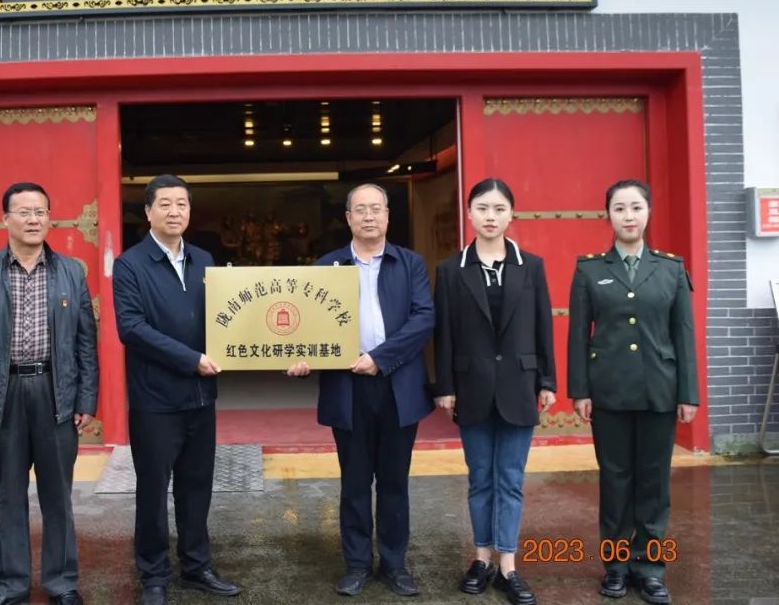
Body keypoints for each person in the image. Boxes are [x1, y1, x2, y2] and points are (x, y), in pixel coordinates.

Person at [287, 183, 435, 598]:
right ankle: (356, 565)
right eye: (360, 210)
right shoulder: (326, 266)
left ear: (388, 215)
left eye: (376, 209)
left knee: (393, 482)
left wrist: (380, 358)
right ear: (348, 218)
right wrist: (301, 356)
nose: (369, 216)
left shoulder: (410, 264)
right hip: (347, 387)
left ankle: (394, 564)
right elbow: (306, 324)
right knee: (354, 482)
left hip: (397, 386)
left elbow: (423, 319)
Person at [0, 182, 98, 605]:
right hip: (3, 395)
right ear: (5, 219)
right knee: (9, 496)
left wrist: (86, 399)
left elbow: (86, 341)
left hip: (56, 391)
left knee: (59, 497)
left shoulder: (70, 271)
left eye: (41, 211)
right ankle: (11, 583)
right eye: (24, 212)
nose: (34, 219)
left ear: (49, 217)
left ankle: (62, 582)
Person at [112, 174, 243, 605]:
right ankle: (153, 574)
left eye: (181, 204)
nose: (174, 212)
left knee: (197, 485)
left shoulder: (204, 259)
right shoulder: (131, 264)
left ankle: (196, 565)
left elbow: (228, 317)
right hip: (156, 400)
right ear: (148, 211)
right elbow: (132, 328)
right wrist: (190, 359)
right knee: (153, 490)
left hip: (202, 397)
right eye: (165, 204)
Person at [568, 179, 698, 605]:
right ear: (608, 214)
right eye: (620, 208)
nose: (628, 216)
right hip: (608, 393)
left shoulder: (671, 269)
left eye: (636, 207)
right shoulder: (589, 270)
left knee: (654, 483)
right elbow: (578, 336)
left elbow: (683, 334)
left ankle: (651, 568)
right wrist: (580, 391)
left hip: (660, 390)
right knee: (615, 481)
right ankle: (617, 567)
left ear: (648, 213)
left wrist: (688, 393)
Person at [432, 179, 556, 605]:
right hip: (472, 387)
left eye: (499, 209)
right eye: (483, 208)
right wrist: (445, 386)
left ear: (511, 214)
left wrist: (547, 380)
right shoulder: (451, 269)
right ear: (469, 213)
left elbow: (542, 325)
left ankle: (508, 566)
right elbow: (444, 333)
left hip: (520, 384)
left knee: (511, 479)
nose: (490, 216)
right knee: (480, 477)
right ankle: (481, 558)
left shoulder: (531, 266)